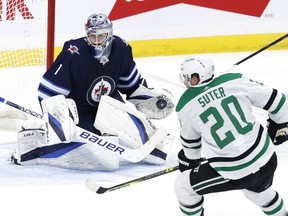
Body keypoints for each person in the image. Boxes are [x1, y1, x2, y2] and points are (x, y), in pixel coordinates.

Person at [11, 13, 174, 170]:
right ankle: (35, 149)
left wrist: (148, 98)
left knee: (150, 150)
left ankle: (148, 142)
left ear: (109, 34)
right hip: (79, 111)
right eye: (92, 36)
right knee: (97, 154)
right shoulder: (73, 52)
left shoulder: (121, 49)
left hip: (109, 105)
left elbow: (130, 84)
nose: (96, 41)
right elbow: (48, 91)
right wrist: (60, 116)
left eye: (101, 36)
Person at [174, 54, 288, 216]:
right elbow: (281, 102)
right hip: (267, 158)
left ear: (196, 78)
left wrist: (188, 161)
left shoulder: (185, 105)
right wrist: (281, 125)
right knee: (259, 193)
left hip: (237, 171)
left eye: (188, 77)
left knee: (183, 186)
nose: (185, 81)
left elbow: (192, 152)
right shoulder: (235, 80)